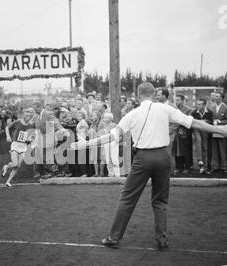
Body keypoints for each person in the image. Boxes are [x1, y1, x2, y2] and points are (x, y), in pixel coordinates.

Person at [71, 82, 227, 251]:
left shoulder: (132, 113)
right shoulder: (165, 109)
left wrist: (86, 144)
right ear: (153, 94)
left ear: (138, 95)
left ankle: (114, 238)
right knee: (160, 200)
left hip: (143, 158)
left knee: (127, 199)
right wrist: (220, 129)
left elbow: (111, 137)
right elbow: (194, 123)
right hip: (163, 156)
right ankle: (162, 239)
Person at [1, 108, 36, 187]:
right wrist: (8, 136)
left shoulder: (31, 125)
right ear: (23, 115)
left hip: (24, 146)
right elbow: (7, 127)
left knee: (18, 165)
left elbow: (31, 136)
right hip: (15, 144)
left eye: (29, 116)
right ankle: (6, 167)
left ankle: (8, 181)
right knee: (15, 164)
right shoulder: (18, 122)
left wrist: (31, 140)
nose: (28, 118)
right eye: (26, 116)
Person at [191, 98, 213, 173]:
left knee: (205, 147)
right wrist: (202, 121)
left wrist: (205, 122)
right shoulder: (194, 112)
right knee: (198, 144)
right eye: (197, 104)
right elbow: (191, 121)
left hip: (206, 131)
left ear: (204, 105)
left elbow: (211, 122)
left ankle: (205, 165)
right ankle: (200, 162)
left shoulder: (209, 112)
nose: (198, 106)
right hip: (197, 130)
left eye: (200, 104)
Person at [209, 92, 227, 174]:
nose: (216, 98)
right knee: (215, 148)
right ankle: (215, 166)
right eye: (215, 96)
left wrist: (220, 121)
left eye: (217, 96)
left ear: (221, 98)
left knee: (222, 148)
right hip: (214, 130)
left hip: (222, 130)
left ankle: (224, 166)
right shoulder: (212, 107)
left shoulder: (225, 107)